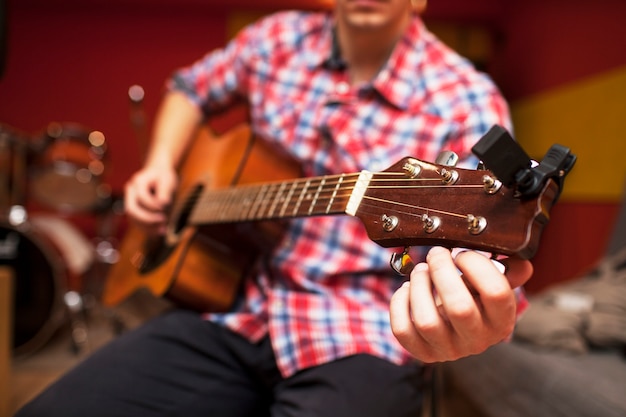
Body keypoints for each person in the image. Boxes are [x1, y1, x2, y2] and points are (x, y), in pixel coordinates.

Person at [16, 1, 533, 416]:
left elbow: (484, 253)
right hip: (233, 305)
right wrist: (160, 168)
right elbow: (189, 89)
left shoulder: (466, 98)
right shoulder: (275, 39)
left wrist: (471, 309)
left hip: (362, 334)